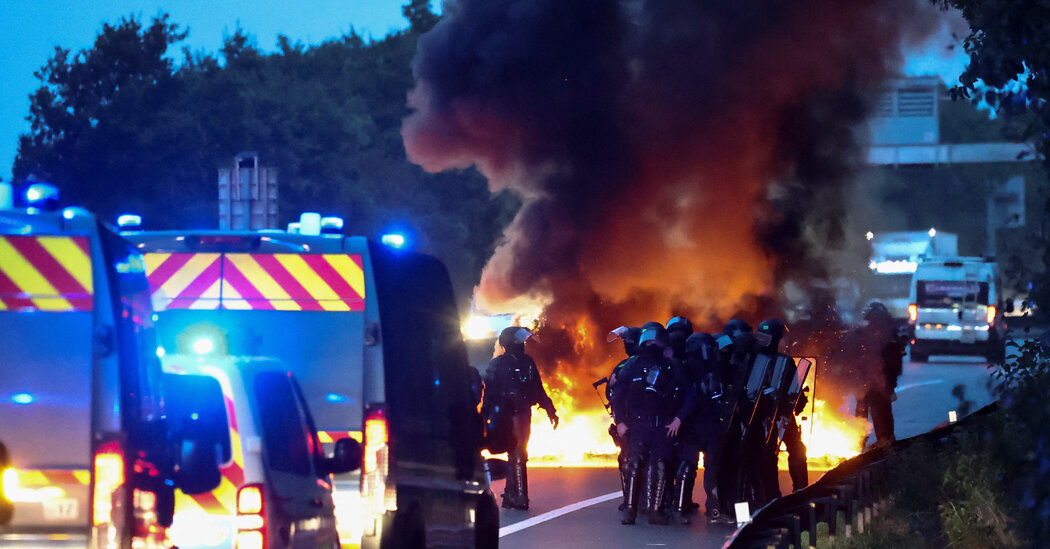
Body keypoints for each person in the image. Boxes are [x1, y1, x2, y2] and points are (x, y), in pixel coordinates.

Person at [612, 325, 696, 525]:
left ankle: (655, 510)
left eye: (653, 340)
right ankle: (630, 510)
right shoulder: (633, 365)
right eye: (647, 340)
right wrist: (620, 421)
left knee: (659, 464)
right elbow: (618, 394)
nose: (650, 344)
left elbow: (689, 394)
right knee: (635, 462)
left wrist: (679, 419)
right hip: (639, 423)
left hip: (663, 424)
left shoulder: (672, 366)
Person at [482, 326, 559, 510]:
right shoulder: (498, 364)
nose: (522, 345)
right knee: (516, 451)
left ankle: (514, 495)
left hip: (523, 413)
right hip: (506, 415)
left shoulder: (528, 362)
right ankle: (518, 496)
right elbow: (490, 392)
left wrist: (550, 409)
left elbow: (538, 388)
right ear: (509, 343)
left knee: (518, 451)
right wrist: (486, 417)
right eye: (519, 341)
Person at [855, 302, 906, 447]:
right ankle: (880, 442)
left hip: (877, 382)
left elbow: (894, 363)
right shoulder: (890, 335)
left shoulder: (887, 337)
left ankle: (870, 443)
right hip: (873, 382)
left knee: (871, 412)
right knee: (873, 412)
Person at [605, 325, 641, 511]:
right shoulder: (624, 365)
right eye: (625, 342)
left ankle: (632, 502)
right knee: (629, 458)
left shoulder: (630, 366)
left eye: (630, 342)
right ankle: (644, 503)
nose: (627, 345)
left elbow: (611, 391)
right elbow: (611, 392)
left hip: (637, 420)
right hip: (632, 420)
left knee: (630, 459)